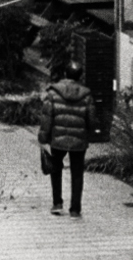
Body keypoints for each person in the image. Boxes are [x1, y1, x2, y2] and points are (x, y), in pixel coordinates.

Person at [40, 64, 93, 217]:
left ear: (65, 73)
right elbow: (91, 119)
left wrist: (43, 137)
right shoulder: (87, 95)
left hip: (58, 138)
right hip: (79, 140)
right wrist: (88, 134)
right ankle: (75, 209)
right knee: (77, 173)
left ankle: (57, 203)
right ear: (80, 76)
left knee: (55, 169)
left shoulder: (53, 93)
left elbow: (47, 117)